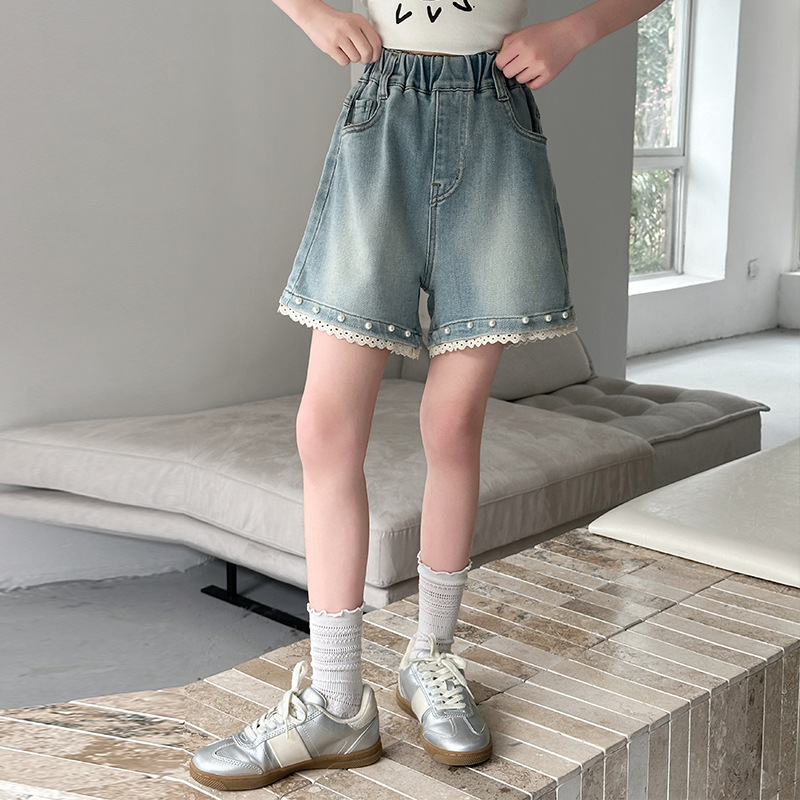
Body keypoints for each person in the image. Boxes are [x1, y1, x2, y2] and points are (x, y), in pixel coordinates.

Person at [190, 0, 664, 790]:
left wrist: (574, 30)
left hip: (494, 126)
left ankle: (432, 658)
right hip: (385, 115)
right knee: (325, 429)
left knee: (452, 422)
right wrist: (309, 12)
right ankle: (337, 700)